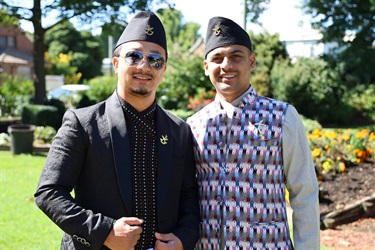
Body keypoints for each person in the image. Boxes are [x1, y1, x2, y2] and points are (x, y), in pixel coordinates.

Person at [35, 11, 200, 250]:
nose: (145, 65)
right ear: (115, 63)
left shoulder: (179, 130)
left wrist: (183, 238)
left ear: (163, 70)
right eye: (134, 56)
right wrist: (104, 232)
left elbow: (188, 195)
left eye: (156, 60)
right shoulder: (82, 123)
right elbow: (48, 192)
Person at [187, 16, 320, 249]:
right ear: (206, 67)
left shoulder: (283, 116)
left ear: (252, 61)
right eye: (217, 58)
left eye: (236, 56)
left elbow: (304, 192)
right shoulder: (193, 125)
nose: (226, 65)